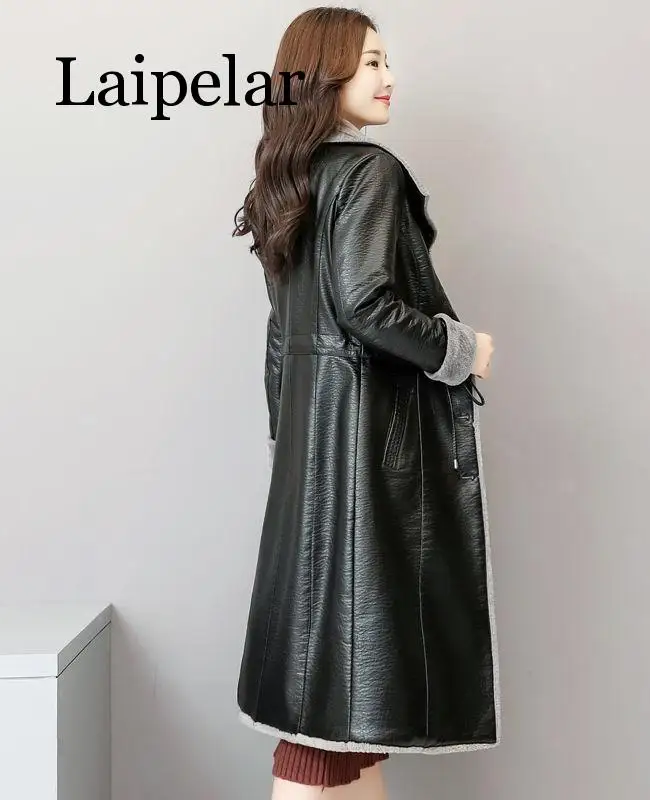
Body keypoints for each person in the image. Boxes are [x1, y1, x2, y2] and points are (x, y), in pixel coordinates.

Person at [231, 7, 500, 798]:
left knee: (345, 715)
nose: (389, 78)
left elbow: (281, 338)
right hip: (366, 456)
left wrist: (290, 444)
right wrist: (461, 348)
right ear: (326, 75)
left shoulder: (289, 181)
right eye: (372, 62)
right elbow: (365, 305)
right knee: (334, 708)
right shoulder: (368, 171)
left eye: (386, 62)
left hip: (313, 453)